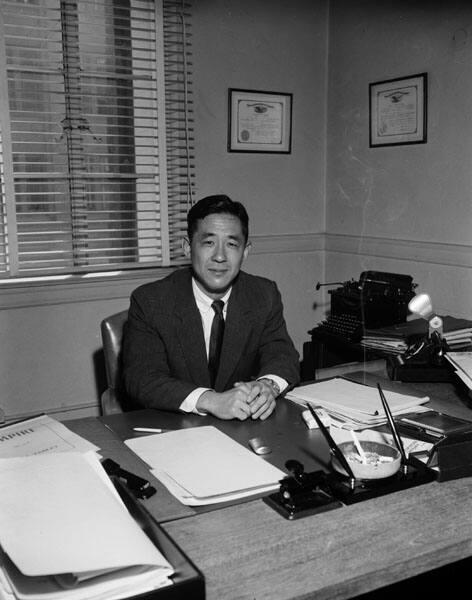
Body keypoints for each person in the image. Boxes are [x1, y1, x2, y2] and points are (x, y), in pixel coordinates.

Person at [123, 194, 300, 420]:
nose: (219, 256)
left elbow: (283, 356)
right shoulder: (151, 300)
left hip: (242, 430)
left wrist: (267, 386)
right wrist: (210, 400)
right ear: (188, 248)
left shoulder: (264, 294)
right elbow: (142, 378)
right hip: (175, 430)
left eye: (232, 244)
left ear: (245, 251)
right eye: (208, 243)